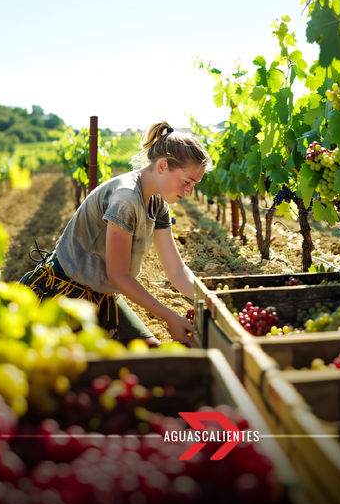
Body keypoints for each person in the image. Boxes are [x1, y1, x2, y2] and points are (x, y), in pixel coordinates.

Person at [19, 121, 213, 346]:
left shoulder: (158, 203)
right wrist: (169, 316)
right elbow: (118, 275)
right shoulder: (126, 199)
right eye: (187, 182)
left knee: (149, 350)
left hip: (101, 295)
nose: (189, 191)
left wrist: (210, 301)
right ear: (162, 166)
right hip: (62, 293)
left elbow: (177, 270)